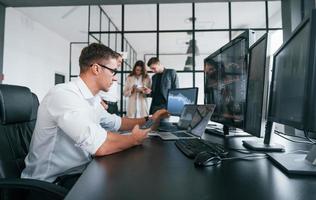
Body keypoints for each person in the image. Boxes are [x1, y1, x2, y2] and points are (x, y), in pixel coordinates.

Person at [21, 43, 168, 189]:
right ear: (96, 68)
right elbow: (101, 145)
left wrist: (150, 118)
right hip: (51, 183)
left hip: (79, 172)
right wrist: (133, 139)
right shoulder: (64, 95)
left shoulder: (92, 99)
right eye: (113, 71)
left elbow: (117, 123)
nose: (115, 78)